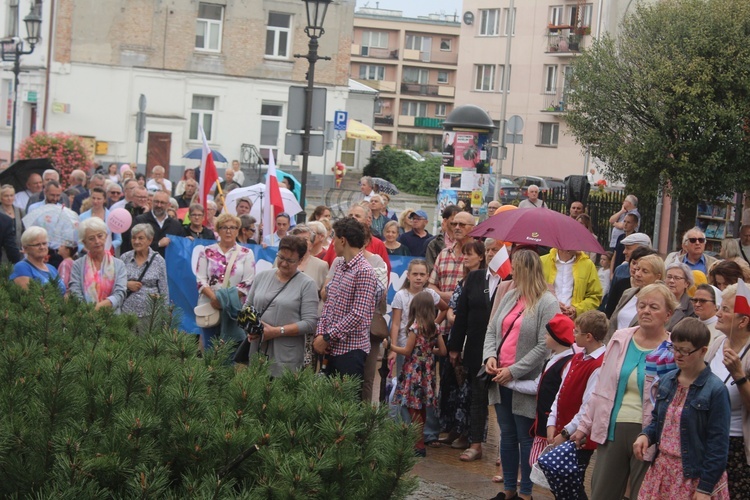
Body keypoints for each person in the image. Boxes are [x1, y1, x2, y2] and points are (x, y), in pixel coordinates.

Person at [570, 283, 678, 499]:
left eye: (654, 307)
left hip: (649, 433)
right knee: (602, 493)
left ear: (668, 314)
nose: (646, 311)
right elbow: (601, 388)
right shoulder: (621, 338)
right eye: (642, 305)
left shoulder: (673, 348)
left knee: (642, 495)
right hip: (612, 428)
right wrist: (583, 426)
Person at [483, 249, 559, 500]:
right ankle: (508, 490)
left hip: (523, 380)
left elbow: (543, 345)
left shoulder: (547, 302)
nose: (511, 272)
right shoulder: (510, 294)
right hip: (499, 375)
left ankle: (526, 493)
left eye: (516, 268)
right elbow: (492, 329)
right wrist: (490, 357)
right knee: (507, 434)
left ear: (527, 270)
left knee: (524, 436)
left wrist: (514, 371)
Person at [635, 318, 731, 499]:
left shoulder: (716, 390)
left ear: (703, 351)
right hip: (662, 471)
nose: (677, 355)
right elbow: (658, 421)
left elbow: (718, 446)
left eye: (684, 351)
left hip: (693, 475)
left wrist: (705, 488)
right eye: (674, 348)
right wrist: (645, 436)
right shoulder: (667, 380)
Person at [450, 239, 505, 462]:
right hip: (475, 347)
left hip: (503, 350)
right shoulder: (474, 278)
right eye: (489, 249)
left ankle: (505, 450)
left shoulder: (511, 280)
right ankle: (475, 444)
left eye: (496, 250)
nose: (492, 253)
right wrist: (455, 347)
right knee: (477, 397)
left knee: (503, 402)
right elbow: (461, 314)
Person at [313, 217, 381, 394]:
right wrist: (321, 333)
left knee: (346, 407)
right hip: (331, 349)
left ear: (343, 240)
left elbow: (358, 314)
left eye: (334, 238)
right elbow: (328, 304)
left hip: (351, 351)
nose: (332, 243)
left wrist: (328, 337)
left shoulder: (365, 271)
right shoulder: (340, 266)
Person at [547, 310, 608, 500]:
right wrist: (551, 421)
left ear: (588, 336)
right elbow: (561, 391)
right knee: (559, 484)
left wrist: (566, 432)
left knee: (571, 484)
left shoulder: (599, 365)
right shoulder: (578, 356)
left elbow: (589, 406)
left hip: (577, 436)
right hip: (561, 429)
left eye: (576, 331)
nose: (573, 335)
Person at [243, 235, 319, 377]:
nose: (284, 263)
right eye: (281, 258)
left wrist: (278, 331)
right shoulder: (262, 277)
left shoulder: (307, 284)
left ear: (300, 260)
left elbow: (309, 323)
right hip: (257, 350)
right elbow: (247, 307)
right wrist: (251, 329)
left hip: (286, 356)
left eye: (290, 261)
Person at [384, 291, 447, 457]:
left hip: (413, 371)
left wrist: (390, 346)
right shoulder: (436, 328)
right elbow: (443, 351)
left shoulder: (415, 328)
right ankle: (420, 439)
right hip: (427, 371)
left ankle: (417, 444)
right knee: (423, 407)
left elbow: (407, 350)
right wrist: (427, 350)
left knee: (412, 407)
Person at [706, 283, 750, 497]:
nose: (719, 313)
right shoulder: (717, 343)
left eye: (725, 309)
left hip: (736, 447)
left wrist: (739, 376)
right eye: (720, 307)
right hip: (707, 437)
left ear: (743, 321)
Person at [195, 213, 256, 350]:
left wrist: (224, 300)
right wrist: (214, 298)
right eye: (224, 227)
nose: (228, 231)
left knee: (230, 351)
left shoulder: (246, 253)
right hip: (210, 306)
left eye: (233, 227)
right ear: (218, 230)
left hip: (234, 309)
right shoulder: (206, 251)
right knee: (210, 349)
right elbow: (201, 280)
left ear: (238, 230)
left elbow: (247, 282)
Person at [527, 314, 576, 467]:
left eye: (548, 334)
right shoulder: (552, 359)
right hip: (543, 420)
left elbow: (563, 395)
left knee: (542, 464)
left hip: (553, 424)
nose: (545, 336)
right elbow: (538, 386)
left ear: (557, 338)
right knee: (535, 462)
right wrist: (510, 382)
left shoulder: (568, 363)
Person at [68, 218, 128, 312]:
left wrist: (98, 308)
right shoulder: (77, 265)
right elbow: (75, 292)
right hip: (85, 317)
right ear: (84, 243)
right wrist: (89, 311)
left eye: (100, 236)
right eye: (91, 238)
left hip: (113, 319)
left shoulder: (119, 264)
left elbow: (120, 293)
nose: (97, 241)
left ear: (106, 236)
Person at [120, 223, 170, 333]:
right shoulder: (124, 258)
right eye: (134, 238)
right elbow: (115, 282)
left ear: (150, 240)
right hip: (127, 313)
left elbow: (164, 291)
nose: (136, 241)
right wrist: (126, 284)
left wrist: (165, 319)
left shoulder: (159, 261)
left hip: (150, 315)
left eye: (141, 238)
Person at [607, 254, 666, 340]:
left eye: (645, 271)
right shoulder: (627, 293)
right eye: (638, 269)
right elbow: (612, 322)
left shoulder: (661, 301)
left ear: (658, 276)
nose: (638, 274)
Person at [321, 204, 391, 275]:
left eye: (357, 216)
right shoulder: (337, 240)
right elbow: (326, 265)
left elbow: (385, 274)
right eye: (350, 215)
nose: (353, 218)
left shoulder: (377, 243)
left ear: (368, 221)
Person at [541, 248, 602, 319]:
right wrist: (552, 303)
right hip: (546, 318)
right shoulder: (542, 262)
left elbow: (595, 296)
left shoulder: (588, 265)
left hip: (574, 323)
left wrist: (576, 309)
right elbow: (532, 291)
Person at [9, 227, 65, 294]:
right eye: (37, 244)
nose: (42, 247)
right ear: (25, 248)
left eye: (44, 243)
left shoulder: (51, 268)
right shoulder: (21, 267)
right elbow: (28, 298)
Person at [133, 191, 184, 257]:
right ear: (151, 202)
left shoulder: (176, 225)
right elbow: (134, 244)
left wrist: (188, 241)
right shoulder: (140, 220)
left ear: (168, 205)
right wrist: (158, 244)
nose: (159, 205)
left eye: (162, 203)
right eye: (156, 202)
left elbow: (180, 247)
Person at [78, 187, 122, 253]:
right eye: (93, 198)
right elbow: (77, 239)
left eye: (99, 199)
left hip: (107, 253)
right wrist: (86, 250)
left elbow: (118, 239)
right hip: (87, 254)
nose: (95, 201)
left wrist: (109, 246)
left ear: (104, 200)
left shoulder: (112, 217)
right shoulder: (82, 217)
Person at [426, 205, 459, 271]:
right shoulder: (434, 244)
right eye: (454, 219)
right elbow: (430, 267)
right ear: (445, 220)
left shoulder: (465, 242)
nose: (457, 223)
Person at [665, 262, 697, 330]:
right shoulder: (658, 300)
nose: (671, 281)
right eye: (669, 277)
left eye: (676, 278)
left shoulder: (691, 307)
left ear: (687, 283)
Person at [0, 184, 24, 260]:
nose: (9, 198)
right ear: (1, 197)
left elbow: (25, 230)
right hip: (3, 252)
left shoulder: (20, 211)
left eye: (11, 195)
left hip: (19, 251)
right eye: (6, 196)